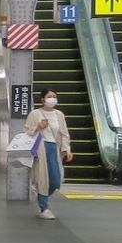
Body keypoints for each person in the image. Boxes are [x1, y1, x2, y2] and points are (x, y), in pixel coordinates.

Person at [25, 89, 73, 220]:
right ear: (43, 100)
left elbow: (64, 133)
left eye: (54, 97)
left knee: (56, 180)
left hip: (54, 148)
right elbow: (27, 131)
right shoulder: (35, 114)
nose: (52, 99)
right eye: (49, 96)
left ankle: (42, 196)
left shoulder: (59, 115)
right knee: (43, 177)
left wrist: (67, 149)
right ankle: (43, 207)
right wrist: (38, 127)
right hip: (41, 148)